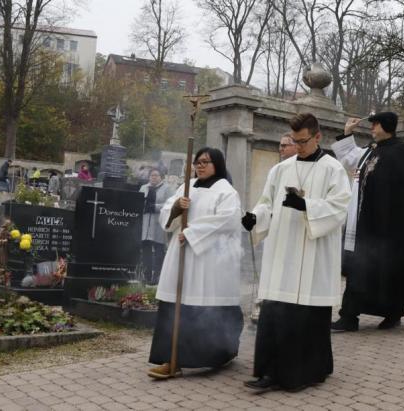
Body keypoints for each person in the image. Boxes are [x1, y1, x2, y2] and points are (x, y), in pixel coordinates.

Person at [241, 113, 351, 392]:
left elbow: (340, 207)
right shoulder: (281, 169)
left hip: (313, 253)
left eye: (303, 141)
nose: (298, 147)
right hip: (282, 253)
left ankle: (307, 372)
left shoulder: (333, 169)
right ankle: (268, 372)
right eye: (294, 141)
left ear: (317, 137)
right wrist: (255, 217)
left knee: (306, 316)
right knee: (274, 311)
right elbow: (267, 203)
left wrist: (306, 206)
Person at [147, 147, 244, 378]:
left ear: (217, 164)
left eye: (205, 162)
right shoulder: (186, 187)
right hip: (181, 253)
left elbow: (228, 221)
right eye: (198, 162)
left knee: (201, 306)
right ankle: (172, 359)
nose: (200, 166)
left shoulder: (226, 191)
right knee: (176, 304)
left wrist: (192, 233)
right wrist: (175, 209)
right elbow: (167, 215)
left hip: (208, 260)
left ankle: (216, 354)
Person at [330, 112, 404, 332]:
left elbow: (398, 192)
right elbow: (351, 158)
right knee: (358, 267)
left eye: (375, 125)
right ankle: (349, 316)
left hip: (388, 226)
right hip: (364, 221)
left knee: (388, 270)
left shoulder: (400, 151)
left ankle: (392, 313)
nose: (372, 128)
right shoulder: (373, 150)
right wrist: (347, 134)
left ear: (386, 126)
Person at [140, 168, 172, 285]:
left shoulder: (167, 188)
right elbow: (138, 200)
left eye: (156, 175)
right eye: (151, 175)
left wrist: (155, 207)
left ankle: (157, 276)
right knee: (146, 250)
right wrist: (144, 205)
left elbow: (170, 204)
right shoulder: (144, 187)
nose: (153, 177)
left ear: (161, 177)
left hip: (159, 223)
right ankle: (146, 275)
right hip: (146, 223)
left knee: (159, 250)